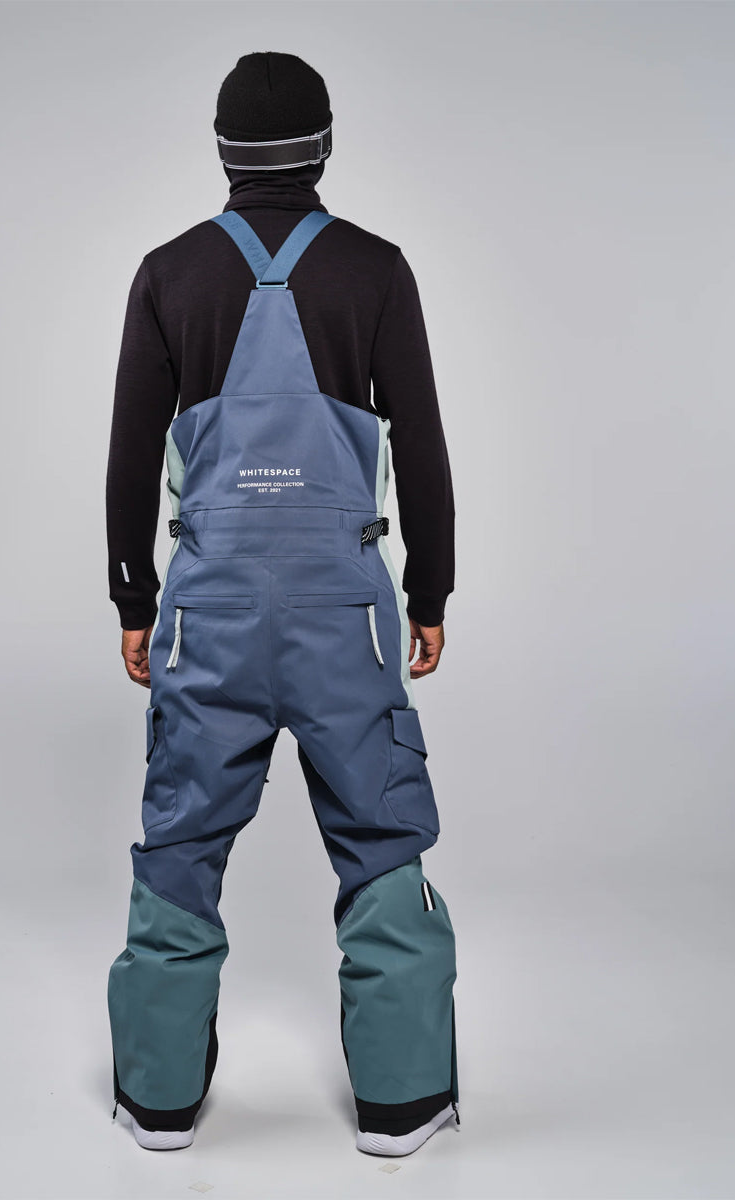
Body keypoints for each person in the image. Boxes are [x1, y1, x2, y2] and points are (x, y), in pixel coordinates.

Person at [104, 51, 458, 1157]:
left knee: (182, 837)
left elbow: (130, 455)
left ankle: (159, 1102)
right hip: (344, 615)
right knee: (380, 834)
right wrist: (430, 589)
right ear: (323, 147)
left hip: (207, 612)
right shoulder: (376, 271)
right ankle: (401, 1106)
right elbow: (423, 444)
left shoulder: (168, 275)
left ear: (223, 151)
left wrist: (132, 597)